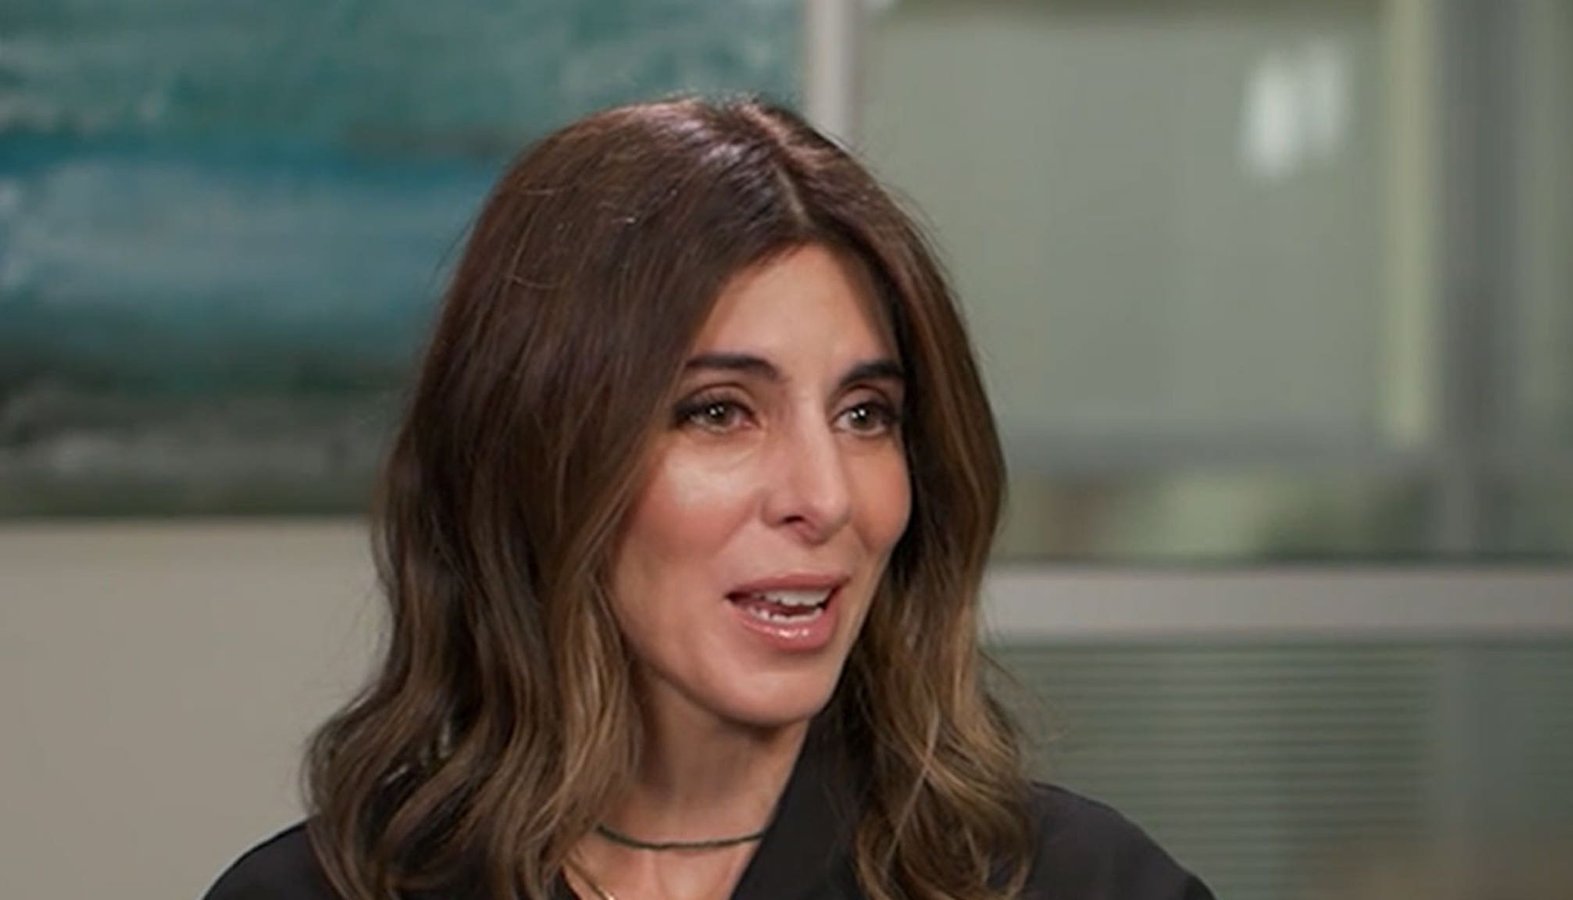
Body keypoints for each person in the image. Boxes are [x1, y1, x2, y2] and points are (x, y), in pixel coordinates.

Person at [204, 96, 1212, 900]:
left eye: (865, 414)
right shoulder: (312, 893)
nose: (825, 497)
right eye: (719, 412)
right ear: (540, 458)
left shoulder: (1083, 883)